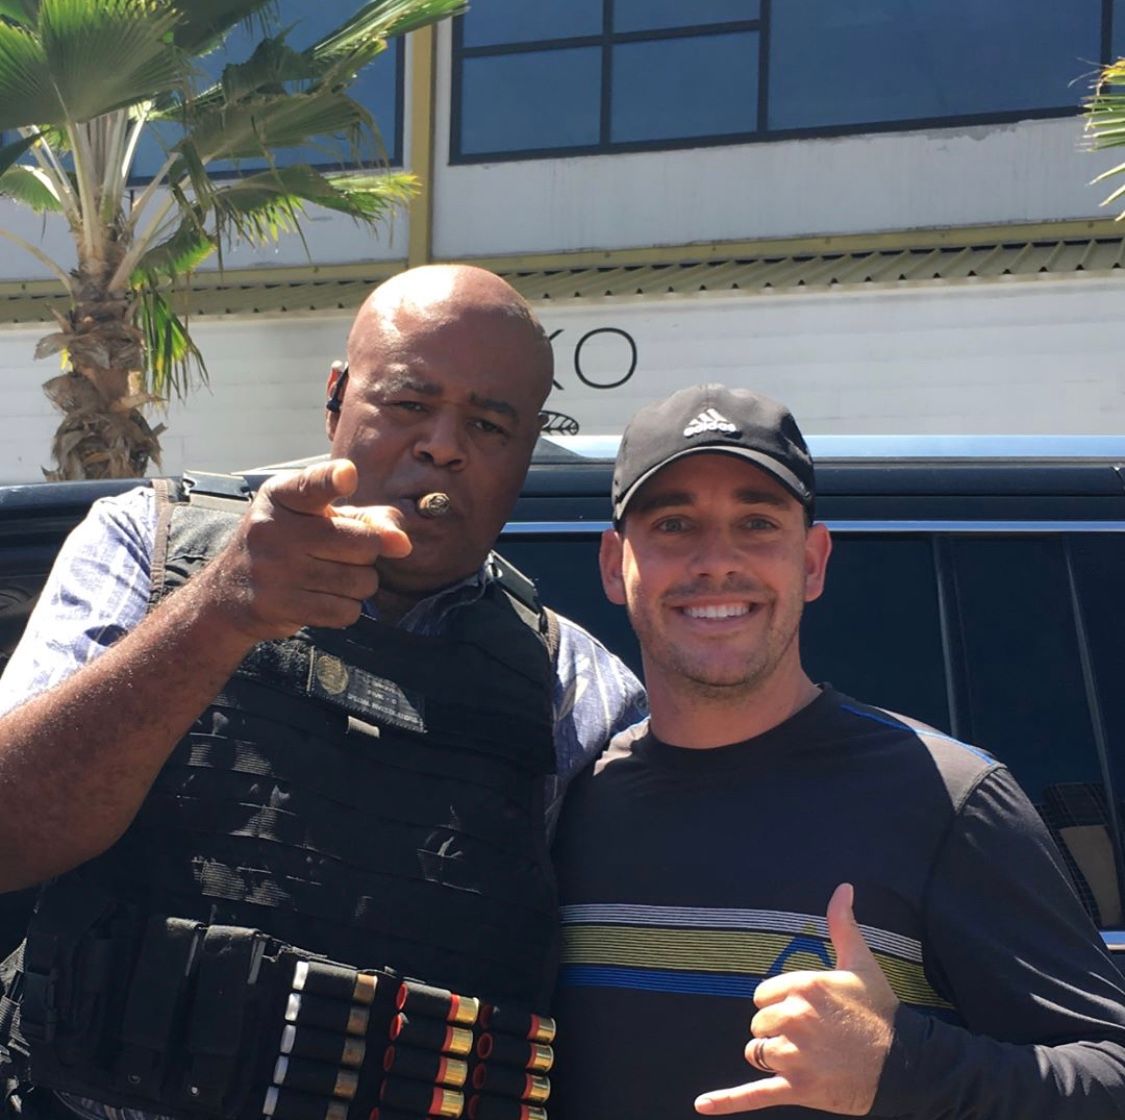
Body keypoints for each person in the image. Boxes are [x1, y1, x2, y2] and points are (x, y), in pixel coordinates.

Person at [0, 265, 645, 1120]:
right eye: (409, 403)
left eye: (489, 424)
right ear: (337, 399)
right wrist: (217, 615)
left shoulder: (579, 689)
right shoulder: (145, 548)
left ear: (525, 454)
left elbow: (616, 1005)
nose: (443, 445)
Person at [550, 383, 1125, 1120]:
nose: (715, 560)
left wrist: (900, 1069)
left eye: (756, 522)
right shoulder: (570, 796)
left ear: (813, 562)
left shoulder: (947, 799)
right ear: (611, 563)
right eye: (673, 524)